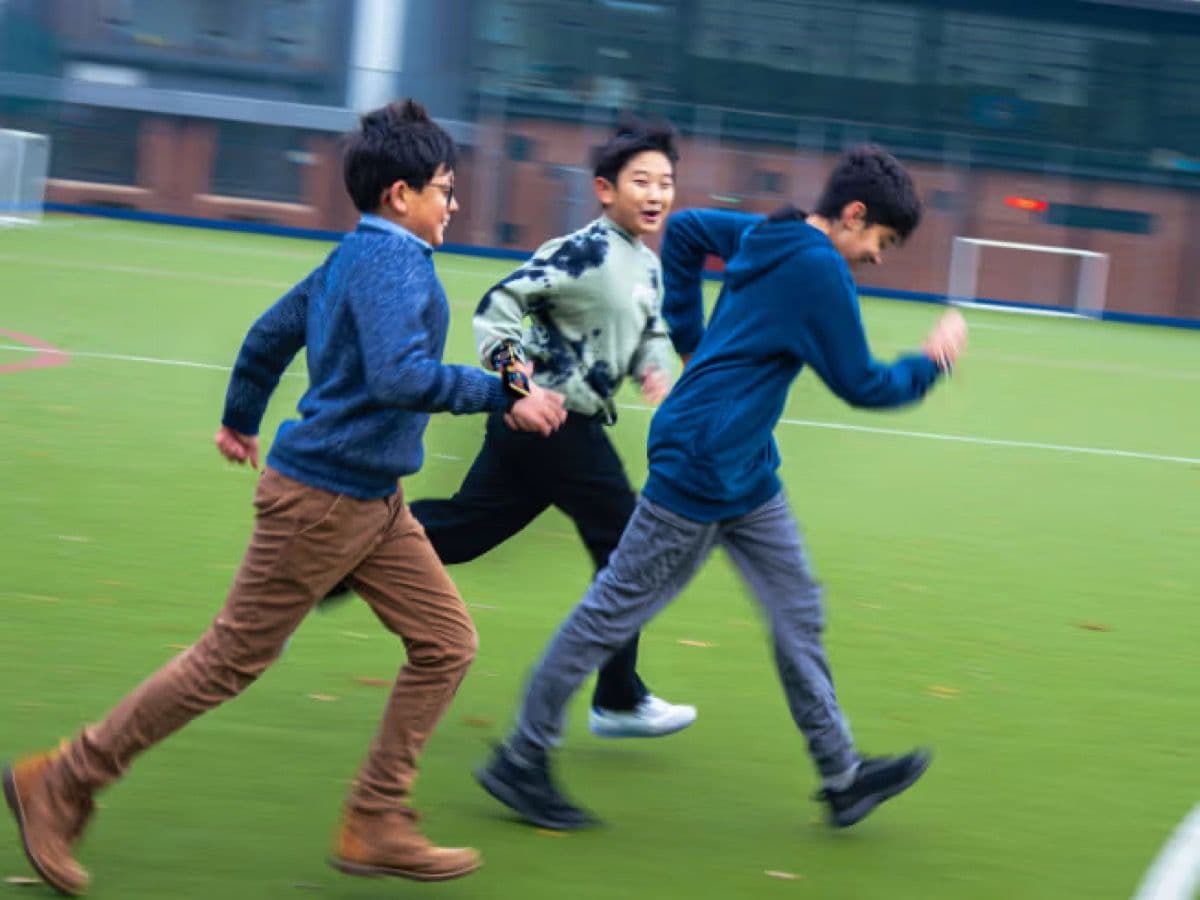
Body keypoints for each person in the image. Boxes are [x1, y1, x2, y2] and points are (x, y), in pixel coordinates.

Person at [1, 98, 566, 895]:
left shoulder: (351, 258)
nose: (454, 203)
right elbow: (400, 376)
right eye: (444, 188)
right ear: (399, 196)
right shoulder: (393, 263)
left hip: (372, 502)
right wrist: (500, 397)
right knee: (228, 660)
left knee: (446, 643)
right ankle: (62, 779)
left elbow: (270, 333)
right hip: (324, 500)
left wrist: (240, 418)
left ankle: (374, 818)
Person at [474, 144, 969, 831]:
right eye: (882, 241)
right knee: (613, 612)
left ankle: (842, 776)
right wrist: (932, 363)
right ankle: (521, 759)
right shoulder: (820, 269)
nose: (878, 257)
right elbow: (862, 383)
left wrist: (690, 336)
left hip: (747, 470)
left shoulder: (771, 231)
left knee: (798, 610)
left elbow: (689, 233)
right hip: (700, 463)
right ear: (853, 215)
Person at [326, 117, 697, 739]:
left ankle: (339, 557)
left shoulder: (646, 265)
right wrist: (520, 391)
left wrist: (657, 371)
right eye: (642, 181)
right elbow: (497, 311)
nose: (657, 193)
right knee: (628, 542)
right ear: (605, 189)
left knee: (469, 529)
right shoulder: (580, 252)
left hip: (547, 427)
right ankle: (619, 697)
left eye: (666, 182)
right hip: (552, 420)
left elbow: (650, 331)